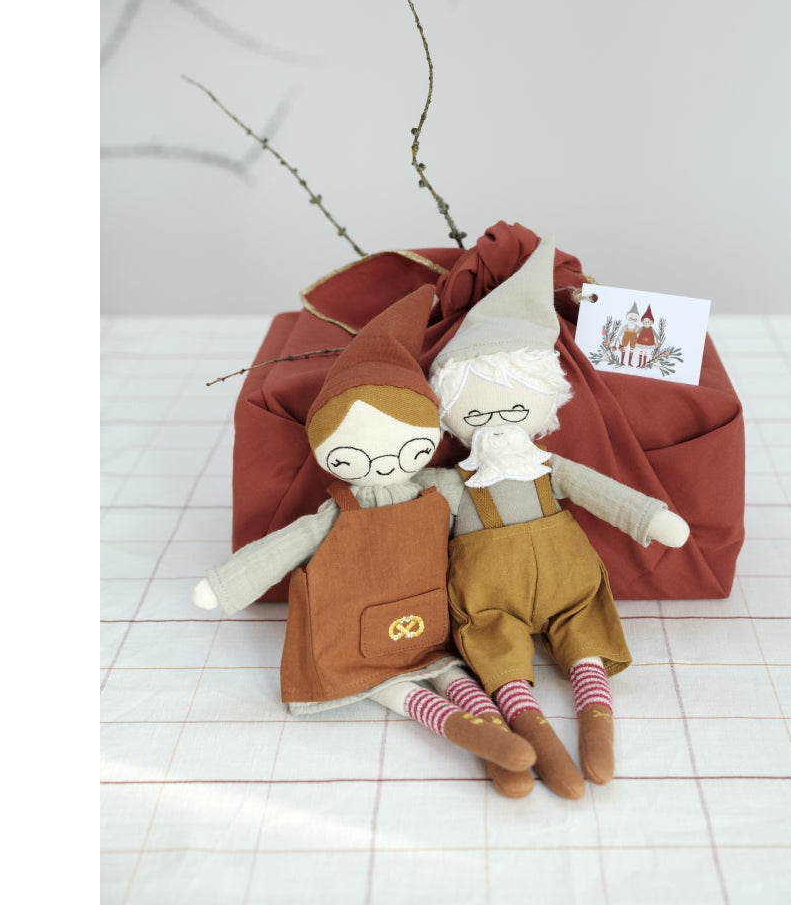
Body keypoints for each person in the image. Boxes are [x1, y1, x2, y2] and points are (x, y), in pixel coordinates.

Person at [191, 285, 535, 794]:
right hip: (353, 636)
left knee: (450, 671)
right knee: (394, 684)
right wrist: (225, 586)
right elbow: (281, 549)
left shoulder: (440, 487)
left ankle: (492, 730)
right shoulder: (336, 512)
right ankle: (465, 730)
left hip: (429, 625)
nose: (383, 460)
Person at [420, 238, 690, 799]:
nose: (498, 415)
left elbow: (601, 492)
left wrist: (650, 518)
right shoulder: (453, 481)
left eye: (517, 402)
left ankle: (596, 716)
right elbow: (411, 506)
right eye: (476, 405)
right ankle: (529, 727)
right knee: (494, 640)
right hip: (492, 599)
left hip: (568, 583)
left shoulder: (549, 465)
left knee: (582, 622)